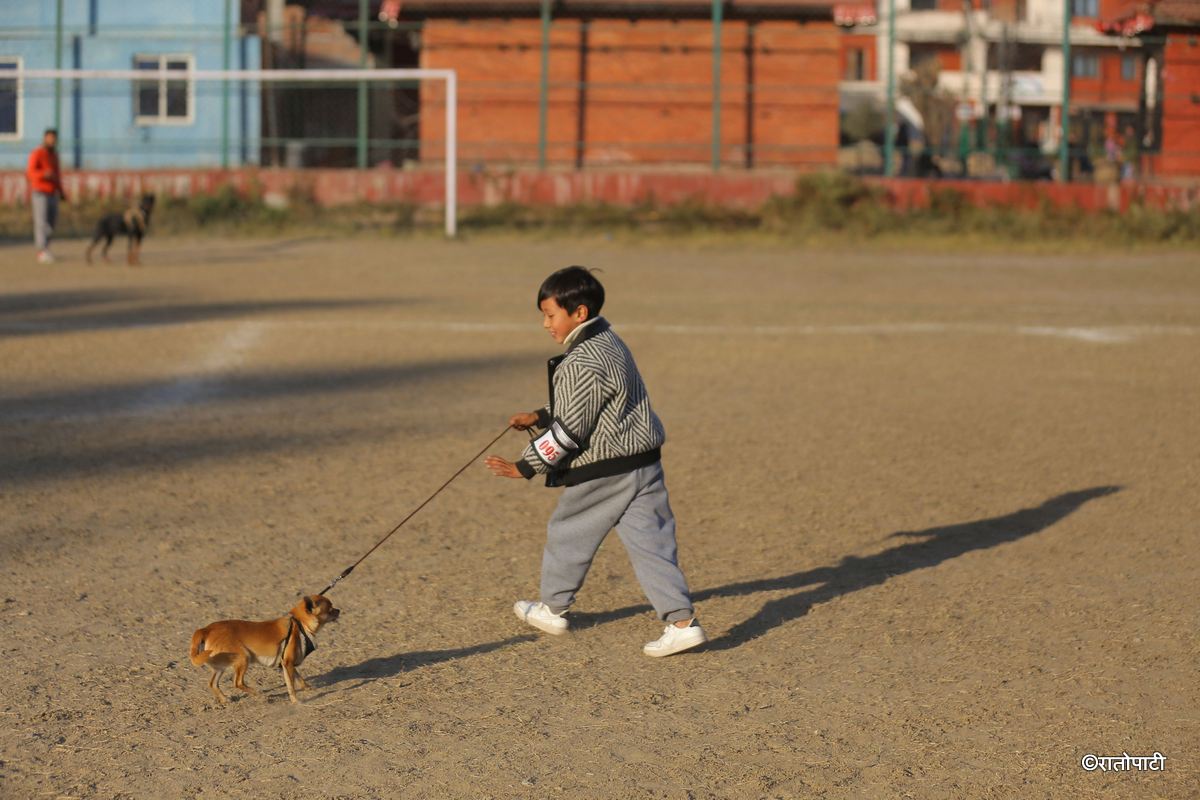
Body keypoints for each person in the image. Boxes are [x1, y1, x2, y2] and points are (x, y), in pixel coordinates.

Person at [485, 266, 707, 657]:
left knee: (568, 532)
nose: (545, 324)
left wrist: (524, 466)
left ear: (579, 313)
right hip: (645, 463)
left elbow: (570, 431)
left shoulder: (581, 360)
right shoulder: (610, 340)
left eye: (550, 315)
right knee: (652, 545)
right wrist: (540, 415)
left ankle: (552, 609)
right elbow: (592, 402)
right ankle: (681, 622)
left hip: (607, 469)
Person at [27, 128, 67, 264]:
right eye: (49, 138)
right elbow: (30, 173)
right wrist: (43, 174)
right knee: (41, 222)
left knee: (51, 223)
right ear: (45, 138)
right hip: (40, 192)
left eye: (54, 138)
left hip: (52, 192)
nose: (52, 140)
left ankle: (46, 248)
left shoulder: (54, 155)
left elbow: (57, 175)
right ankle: (41, 250)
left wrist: (61, 192)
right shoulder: (37, 153)